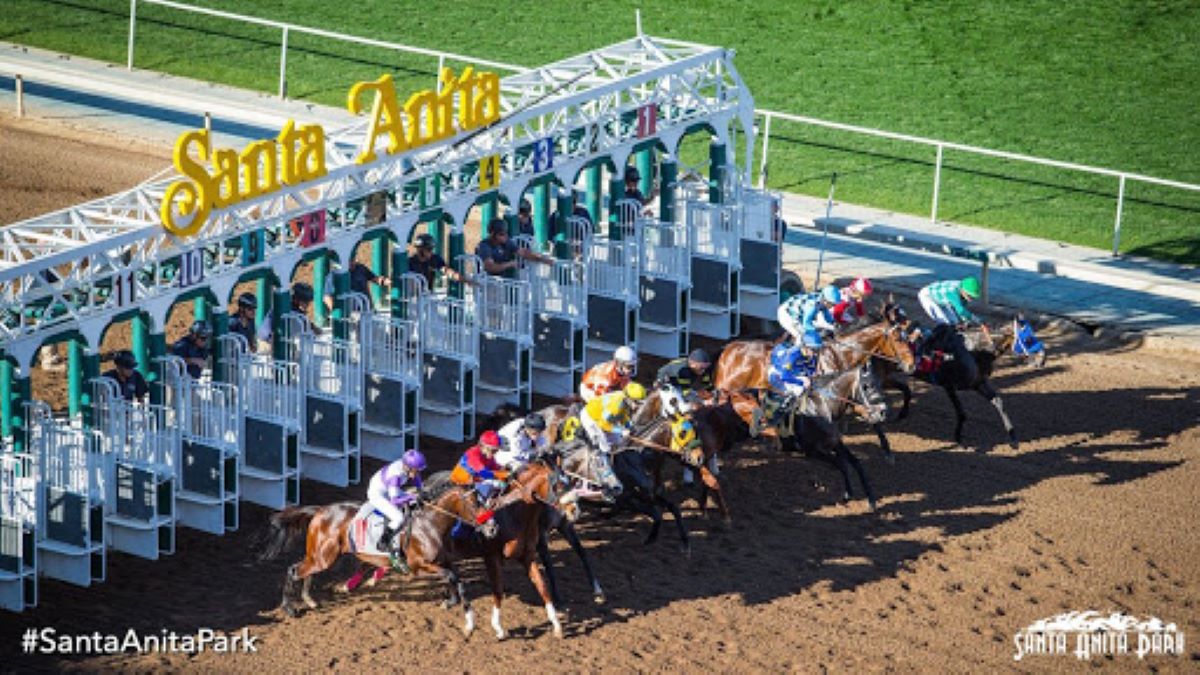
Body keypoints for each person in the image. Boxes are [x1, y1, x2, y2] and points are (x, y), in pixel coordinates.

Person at [365, 449, 426, 572]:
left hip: (389, 490)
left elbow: (417, 479)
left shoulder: (407, 467)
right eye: (416, 470)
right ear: (408, 468)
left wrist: (421, 491)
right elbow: (394, 500)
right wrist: (412, 497)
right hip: (378, 495)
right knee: (398, 517)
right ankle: (384, 541)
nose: (418, 472)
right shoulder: (396, 476)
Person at [764, 331, 822, 425]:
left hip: (795, 373)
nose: (815, 353)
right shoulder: (792, 356)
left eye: (817, 349)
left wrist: (812, 375)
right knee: (798, 390)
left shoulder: (812, 356)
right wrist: (801, 382)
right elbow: (785, 376)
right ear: (805, 347)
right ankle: (777, 414)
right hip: (778, 375)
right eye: (813, 349)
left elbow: (811, 370)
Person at [579, 382, 646, 454]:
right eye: (637, 403)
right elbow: (602, 425)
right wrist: (621, 431)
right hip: (590, 418)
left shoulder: (624, 399)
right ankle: (602, 463)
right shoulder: (615, 406)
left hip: (602, 417)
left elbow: (623, 415)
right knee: (605, 448)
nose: (638, 406)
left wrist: (629, 426)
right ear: (629, 399)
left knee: (619, 442)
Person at [474, 218, 554, 277]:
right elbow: (490, 267)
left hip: (502, 282)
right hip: (487, 282)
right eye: (501, 234)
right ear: (492, 234)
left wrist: (544, 260)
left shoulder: (506, 242)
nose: (505, 236)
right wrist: (509, 264)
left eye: (506, 233)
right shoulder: (484, 246)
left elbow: (523, 253)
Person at [257, 281, 314, 351]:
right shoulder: (289, 311)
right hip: (266, 343)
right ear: (297, 300)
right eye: (306, 302)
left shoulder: (292, 307)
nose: (308, 305)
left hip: (271, 341)